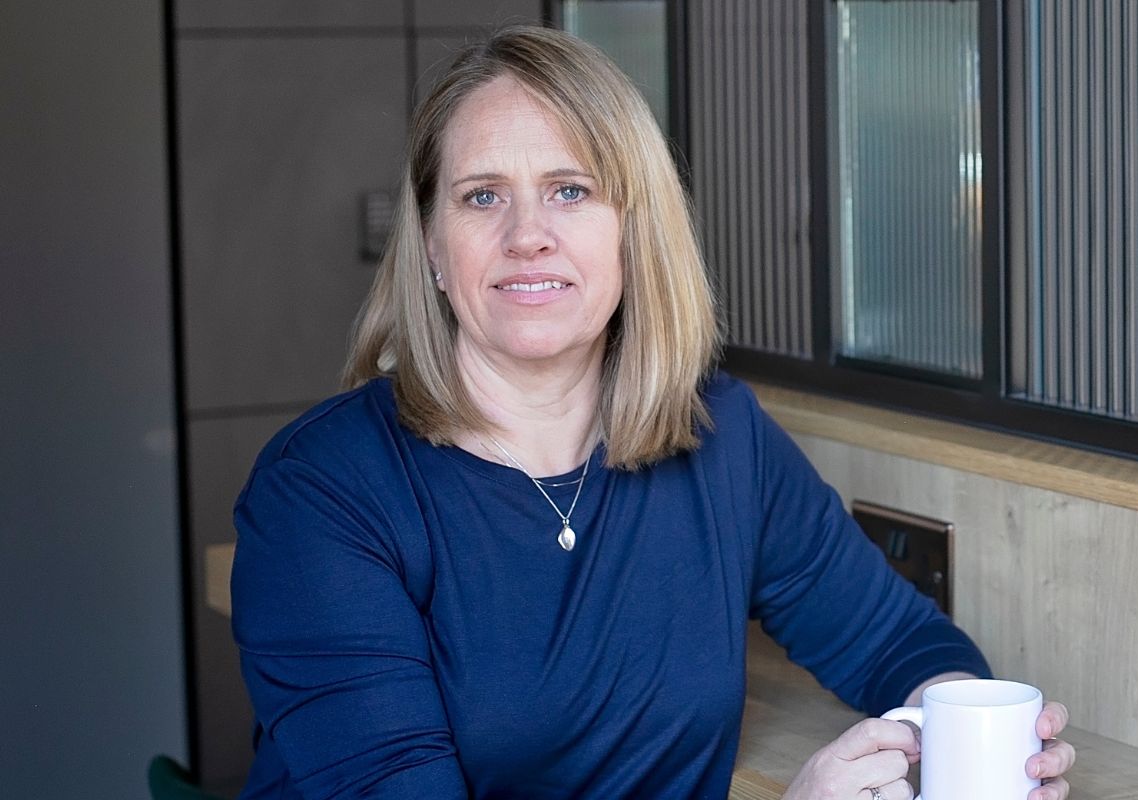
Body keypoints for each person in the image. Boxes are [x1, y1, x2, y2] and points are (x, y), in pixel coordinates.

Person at [228, 25, 1074, 799]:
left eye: (570, 190)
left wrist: (983, 741)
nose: (527, 234)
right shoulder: (323, 492)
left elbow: (898, 645)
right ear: (433, 248)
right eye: (482, 196)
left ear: (635, 232)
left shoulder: (721, 439)